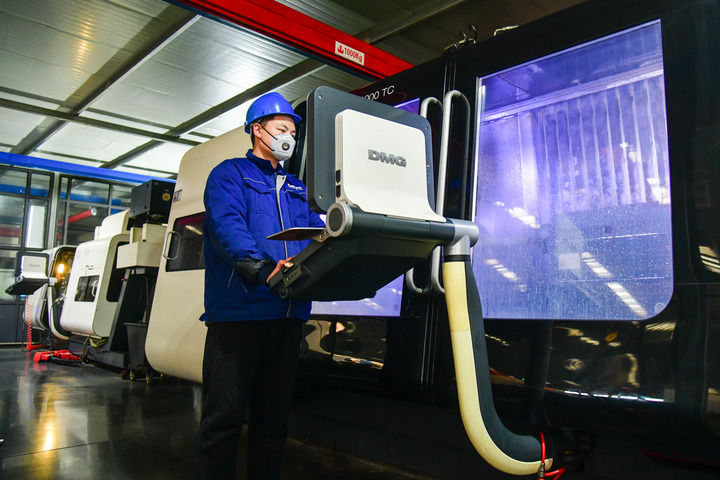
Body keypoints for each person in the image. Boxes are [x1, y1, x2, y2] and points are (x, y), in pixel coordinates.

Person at [197, 91, 325, 480]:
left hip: (287, 318)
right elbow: (227, 227)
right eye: (282, 128)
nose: (289, 137)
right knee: (224, 419)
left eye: (293, 132)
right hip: (240, 316)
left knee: (273, 422)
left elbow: (316, 238)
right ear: (257, 130)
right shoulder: (230, 174)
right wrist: (263, 269)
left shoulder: (298, 188)